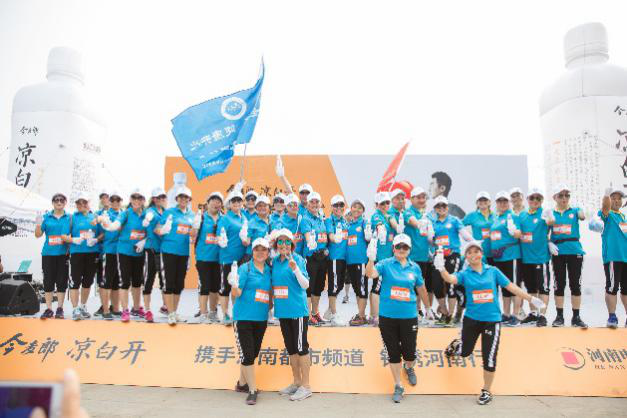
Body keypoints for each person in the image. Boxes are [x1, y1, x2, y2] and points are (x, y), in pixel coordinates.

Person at [437, 241, 545, 405]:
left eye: (476, 251)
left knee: (489, 357)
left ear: (481, 254)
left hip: (492, 321)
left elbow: (511, 287)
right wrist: (441, 268)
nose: (473, 255)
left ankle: (486, 390)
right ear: (466, 257)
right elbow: (450, 279)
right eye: (469, 253)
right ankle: (456, 345)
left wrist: (530, 299)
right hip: (471, 320)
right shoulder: (465, 274)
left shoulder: (493, 271)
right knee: (465, 352)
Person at [365, 233, 434, 403]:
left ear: (409, 249)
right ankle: (398, 384)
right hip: (388, 317)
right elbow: (370, 274)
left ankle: (409, 367)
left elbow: (421, 289)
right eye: (398, 246)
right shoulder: (385, 264)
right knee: (393, 352)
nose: (401, 249)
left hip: (409, 316)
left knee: (410, 353)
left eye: (405, 247)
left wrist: (428, 308)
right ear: (393, 248)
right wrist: (371, 259)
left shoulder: (414, 267)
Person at [229, 237, 272, 405]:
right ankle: (252, 390)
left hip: (261, 318)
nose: (260, 252)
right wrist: (234, 284)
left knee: (252, 353)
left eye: (263, 250)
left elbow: (270, 293)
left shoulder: (269, 270)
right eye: (257, 249)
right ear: (252, 251)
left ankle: (241, 383)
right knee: (247, 355)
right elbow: (237, 293)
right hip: (243, 318)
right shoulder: (245, 268)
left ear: (268, 252)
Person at [271, 229, 313, 401]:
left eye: (287, 242)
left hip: (297, 311)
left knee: (301, 348)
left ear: (292, 244)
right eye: (280, 242)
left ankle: (306, 386)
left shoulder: (298, 259)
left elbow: (305, 285)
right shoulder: (274, 262)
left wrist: (295, 269)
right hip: (283, 312)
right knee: (291, 349)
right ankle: (296, 382)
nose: (284, 245)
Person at [101, 188, 148, 322]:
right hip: (124, 252)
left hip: (138, 253)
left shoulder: (147, 214)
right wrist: (107, 224)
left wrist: (143, 242)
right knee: (125, 282)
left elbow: (151, 232)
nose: (136, 201)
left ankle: (136, 308)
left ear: (143, 200)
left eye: (139, 198)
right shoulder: (126, 213)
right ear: (130, 200)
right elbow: (114, 226)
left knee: (137, 282)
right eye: (134, 198)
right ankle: (125, 310)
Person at [548, 184, 588, 328]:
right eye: (561, 195)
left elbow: (582, 216)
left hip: (574, 251)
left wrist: (581, 210)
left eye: (567, 195)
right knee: (559, 284)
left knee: (575, 285)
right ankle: (559, 317)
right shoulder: (550, 213)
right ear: (555, 197)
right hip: (558, 252)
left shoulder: (575, 210)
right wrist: (549, 243)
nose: (564, 198)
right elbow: (543, 232)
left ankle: (576, 317)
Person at [429, 196, 472, 325]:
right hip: (438, 257)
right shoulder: (433, 223)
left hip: (453, 256)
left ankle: (450, 316)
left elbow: (465, 235)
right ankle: (445, 312)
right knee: (436, 285)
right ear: (435, 208)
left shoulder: (454, 220)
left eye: (444, 205)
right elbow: (430, 240)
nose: (441, 208)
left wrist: (474, 243)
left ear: (447, 207)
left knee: (451, 285)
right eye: (438, 206)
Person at [156, 186, 195, 325]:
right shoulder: (169, 212)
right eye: (181, 197)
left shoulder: (192, 215)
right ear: (177, 198)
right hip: (168, 251)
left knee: (179, 284)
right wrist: (163, 230)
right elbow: (157, 229)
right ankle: (170, 313)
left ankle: (173, 312)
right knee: (169, 283)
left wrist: (193, 235)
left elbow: (193, 234)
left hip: (183, 253)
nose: (183, 199)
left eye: (186, 197)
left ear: (189, 199)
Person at [591, 187, 627, 328]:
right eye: (613, 198)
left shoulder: (623, 216)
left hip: (625, 258)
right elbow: (605, 207)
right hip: (613, 257)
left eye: (619, 198)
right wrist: (606, 196)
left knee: (626, 289)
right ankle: (612, 317)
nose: (617, 201)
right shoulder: (606, 214)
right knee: (612, 287)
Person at [519, 188, 554, 327]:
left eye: (538, 198)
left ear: (541, 200)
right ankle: (533, 313)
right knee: (531, 289)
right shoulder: (522, 215)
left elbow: (551, 222)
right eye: (532, 198)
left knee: (543, 288)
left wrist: (550, 217)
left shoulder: (544, 213)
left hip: (541, 258)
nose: (535, 200)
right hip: (526, 259)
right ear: (527, 200)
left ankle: (542, 315)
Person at [63, 192, 101, 321]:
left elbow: (103, 234)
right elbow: (64, 236)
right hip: (77, 253)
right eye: (78, 202)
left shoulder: (95, 217)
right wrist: (73, 239)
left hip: (92, 253)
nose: (81, 204)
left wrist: (96, 240)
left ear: (89, 203)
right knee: (75, 282)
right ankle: (75, 309)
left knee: (87, 282)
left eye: (84, 202)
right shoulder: (72, 217)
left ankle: (83, 306)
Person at [489, 191, 523, 326]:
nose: (502, 203)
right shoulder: (496, 218)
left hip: (511, 256)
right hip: (499, 258)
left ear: (509, 203)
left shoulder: (512, 216)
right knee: (505, 286)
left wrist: (514, 231)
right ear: (496, 203)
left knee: (514, 285)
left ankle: (516, 315)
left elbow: (518, 234)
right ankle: (506, 314)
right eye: (500, 201)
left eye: (505, 201)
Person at [35, 192, 70, 319]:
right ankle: (49, 309)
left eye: (61, 200)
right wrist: (38, 224)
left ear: (65, 202)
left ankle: (60, 308)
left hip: (63, 254)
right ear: (53, 203)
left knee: (62, 281)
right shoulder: (46, 217)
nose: (59, 202)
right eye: (56, 200)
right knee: (48, 281)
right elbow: (38, 235)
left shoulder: (69, 218)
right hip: (48, 254)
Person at [217, 190, 250, 325]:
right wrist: (221, 240)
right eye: (234, 201)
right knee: (225, 287)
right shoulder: (225, 218)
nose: (236, 203)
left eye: (239, 200)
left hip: (242, 259)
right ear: (229, 204)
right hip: (227, 258)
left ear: (242, 203)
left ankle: (236, 313)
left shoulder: (244, 218)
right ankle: (225, 315)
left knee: (237, 286)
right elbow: (220, 235)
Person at [403, 187, 435, 318]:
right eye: (418, 197)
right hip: (415, 256)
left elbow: (434, 233)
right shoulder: (408, 212)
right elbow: (415, 223)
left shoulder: (429, 214)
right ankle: (416, 311)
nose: (421, 200)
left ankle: (429, 312)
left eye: (423, 197)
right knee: (416, 286)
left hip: (429, 256)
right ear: (412, 199)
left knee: (429, 286)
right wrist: (424, 224)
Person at [194, 192, 223, 323]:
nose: (216, 203)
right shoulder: (201, 217)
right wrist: (194, 227)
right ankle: (203, 313)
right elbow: (192, 235)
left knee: (215, 287)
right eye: (213, 200)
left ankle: (213, 312)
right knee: (204, 286)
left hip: (219, 258)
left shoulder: (224, 219)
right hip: (203, 258)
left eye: (218, 201)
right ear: (208, 202)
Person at [300, 191, 328, 325]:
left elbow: (324, 236)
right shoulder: (305, 219)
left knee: (319, 287)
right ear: (307, 204)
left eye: (317, 202)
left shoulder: (321, 218)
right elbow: (307, 236)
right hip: (311, 257)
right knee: (309, 288)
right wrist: (310, 242)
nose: (314, 204)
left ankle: (315, 313)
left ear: (320, 204)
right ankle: (307, 315)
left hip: (322, 257)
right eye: (312, 202)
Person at [95, 191, 123, 320]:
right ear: (109, 202)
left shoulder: (123, 215)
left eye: (118, 200)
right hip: (108, 251)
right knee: (106, 282)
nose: (115, 202)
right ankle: (105, 310)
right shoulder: (105, 214)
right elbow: (98, 232)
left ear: (121, 202)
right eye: (113, 200)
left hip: (121, 252)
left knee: (116, 283)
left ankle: (116, 309)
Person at [369, 191, 394, 326]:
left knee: (382, 287)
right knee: (377, 287)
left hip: (390, 258)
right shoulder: (376, 216)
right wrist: (380, 228)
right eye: (382, 203)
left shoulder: (390, 215)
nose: (385, 205)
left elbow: (396, 228)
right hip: (380, 259)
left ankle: (375, 314)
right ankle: (375, 317)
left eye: (387, 203)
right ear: (377, 205)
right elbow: (379, 226)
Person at [142, 187, 167, 323]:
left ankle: (166, 306)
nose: (161, 199)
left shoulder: (165, 212)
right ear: (154, 199)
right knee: (148, 280)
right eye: (159, 197)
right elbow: (148, 218)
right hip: (151, 250)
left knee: (164, 280)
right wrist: (147, 219)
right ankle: (147, 310)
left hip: (163, 250)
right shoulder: (150, 211)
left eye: (163, 197)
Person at [346, 199, 372, 326]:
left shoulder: (364, 223)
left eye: (359, 207)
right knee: (357, 289)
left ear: (363, 211)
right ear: (350, 209)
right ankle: (361, 314)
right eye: (354, 207)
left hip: (361, 261)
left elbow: (370, 239)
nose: (356, 209)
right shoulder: (349, 224)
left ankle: (361, 316)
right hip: (350, 262)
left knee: (362, 289)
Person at [323, 194, 348, 325]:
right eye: (336, 205)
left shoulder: (345, 221)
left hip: (344, 258)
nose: (339, 207)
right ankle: (333, 314)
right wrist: (334, 239)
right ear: (332, 207)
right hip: (334, 258)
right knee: (333, 286)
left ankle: (329, 311)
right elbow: (331, 236)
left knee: (340, 285)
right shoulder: (329, 221)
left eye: (341, 205)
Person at [462, 191, 495, 265]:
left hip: (495, 252)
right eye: (480, 200)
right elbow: (459, 226)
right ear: (477, 203)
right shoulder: (472, 215)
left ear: (489, 202)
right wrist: (468, 237)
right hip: (479, 253)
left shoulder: (495, 215)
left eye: (485, 200)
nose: (483, 202)